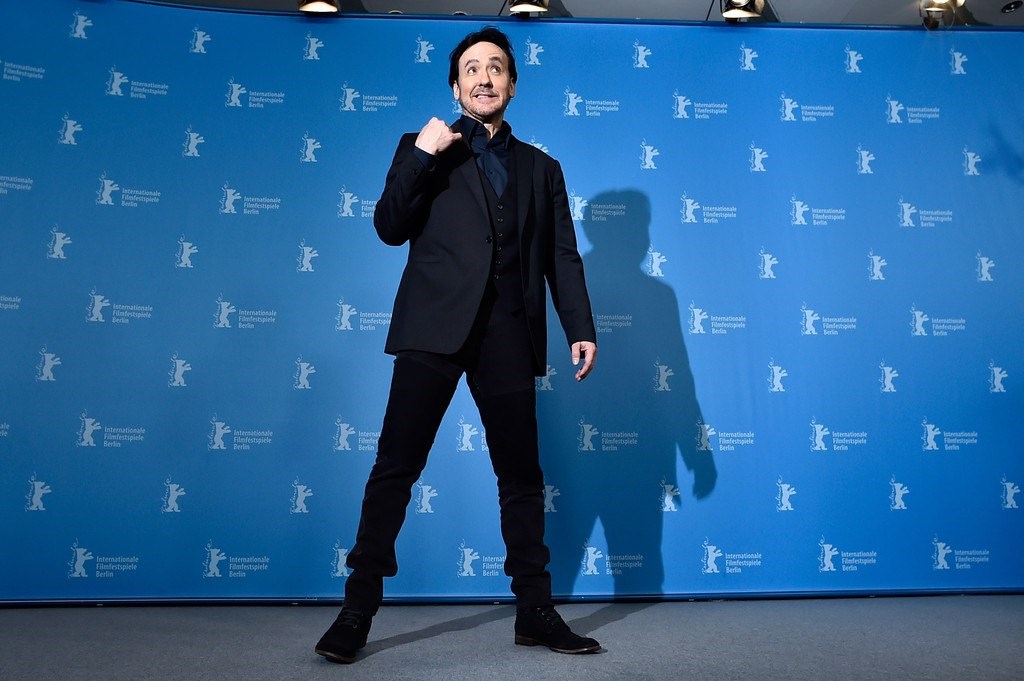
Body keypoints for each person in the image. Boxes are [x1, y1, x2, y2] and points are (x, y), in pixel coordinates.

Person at [314, 26, 599, 664]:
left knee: (521, 477)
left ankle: (535, 612)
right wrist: (423, 153)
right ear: (455, 86)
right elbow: (389, 226)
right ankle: (356, 610)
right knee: (395, 468)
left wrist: (580, 327)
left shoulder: (543, 168)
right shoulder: (423, 147)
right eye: (471, 68)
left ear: (512, 84)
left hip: (508, 334)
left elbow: (561, 255)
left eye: (496, 67)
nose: (484, 77)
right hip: (432, 329)